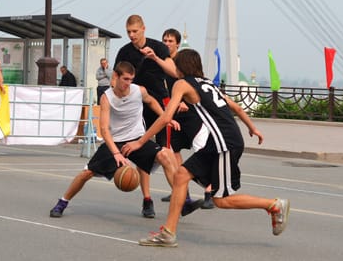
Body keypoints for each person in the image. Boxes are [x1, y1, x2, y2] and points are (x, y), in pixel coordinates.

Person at [121, 49, 290, 247]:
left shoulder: (181, 84)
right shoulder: (208, 83)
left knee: (222, 200)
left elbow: (167, 117)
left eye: (175, 64)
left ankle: (273, 205)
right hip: (218, 141)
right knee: (181, 176)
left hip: (224, 142)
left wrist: (140, 142)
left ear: (181, 66)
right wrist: (252, 127)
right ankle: (168, 233)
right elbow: (235, 107)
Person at [49, 61, 201, 218]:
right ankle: (63, 202)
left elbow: (151, 101)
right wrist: (116, 153)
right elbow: (104, 129)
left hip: (136, 139)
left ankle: (184, 201)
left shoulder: (139, 91)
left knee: (166, 155)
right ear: (116, 76)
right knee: (86, 173)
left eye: (131, 79)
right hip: (115, 143)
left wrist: (165, 117)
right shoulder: (107, 98)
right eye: (126, 79)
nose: (129, 83)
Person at [114, 14, 178, 218]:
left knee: (167, 151)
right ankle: (147, 199)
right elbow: (116, 79)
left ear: (143, 29)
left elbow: (174, 71)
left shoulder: (158, 47)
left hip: (160, 102)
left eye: (135, 31)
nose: (132, 35)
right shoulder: (124, 52)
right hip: (136, 106)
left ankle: (180, 196)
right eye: (128, 32)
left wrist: (155, 58)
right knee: (143, 152)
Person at [160, 28, 214, 209]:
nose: (167, 43)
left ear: (177, 43)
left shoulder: (181, 63)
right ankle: (183, 190)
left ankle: (210, 191)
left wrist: (183, 101)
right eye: (164, 40)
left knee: (201, 152)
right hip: (175, 114)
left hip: (191, 113)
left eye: (170, 41)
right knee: (173, 151)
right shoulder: (165, 62)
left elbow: (191, 84)